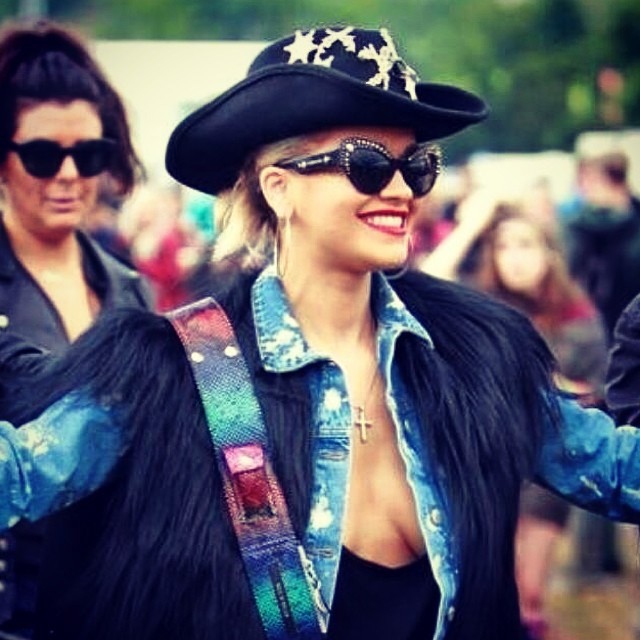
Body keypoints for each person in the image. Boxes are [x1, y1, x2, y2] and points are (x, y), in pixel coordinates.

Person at [1, 25, 640, 640]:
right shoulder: (174, 371)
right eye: (367, 162)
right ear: (279, 188)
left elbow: (616, 470)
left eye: (417, 165)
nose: (401, 188)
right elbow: (22, 473)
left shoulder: (476, 359)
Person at [0, 19, 151, 639]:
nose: (68, 174)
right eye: (42, 155)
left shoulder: (129, 289)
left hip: (109, 605)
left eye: (88, 155)